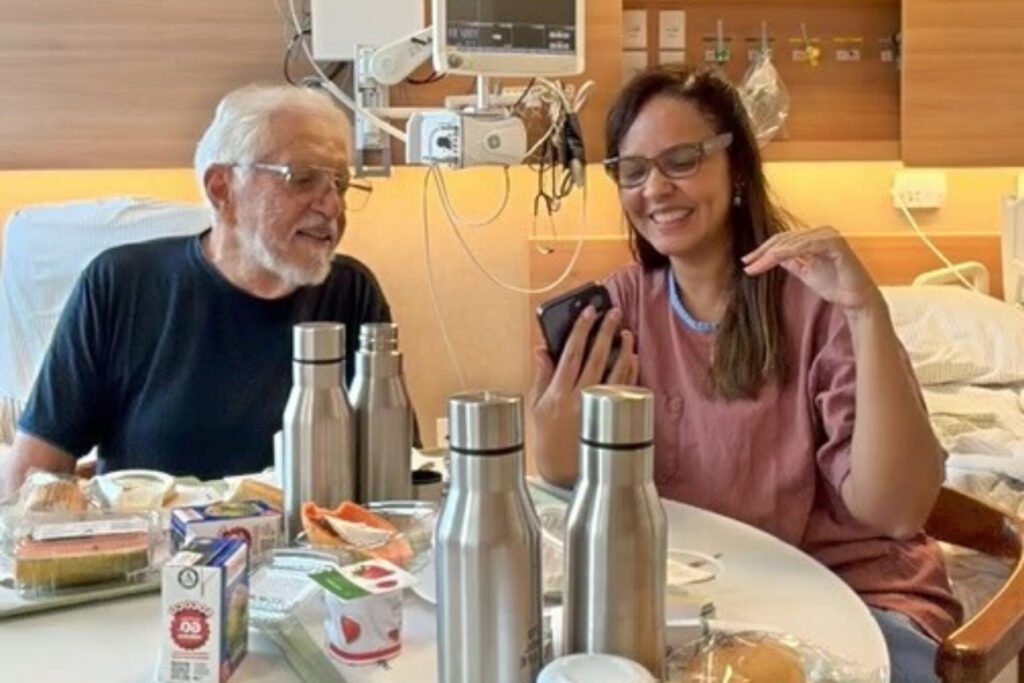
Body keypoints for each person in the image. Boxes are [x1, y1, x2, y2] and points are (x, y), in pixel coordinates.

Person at [528, 64, 961, 682]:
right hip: (707, 611)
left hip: (856, 603)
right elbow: (564, 476)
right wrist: (555, 431)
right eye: (633, 170)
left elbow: (894, 511)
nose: (656, 189)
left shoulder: (817, 303)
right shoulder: (620, 310)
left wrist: (867, 311)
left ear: (736, 169)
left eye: (682, 161)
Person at [0, 84, 392, 493]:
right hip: (156, 532)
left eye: (340, 184)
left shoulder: (352, 291)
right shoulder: (120, 285)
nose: (332, 207)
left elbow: (392, 472)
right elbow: (30, 479)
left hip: (312, 533)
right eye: (303, 179)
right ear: (222, 188)